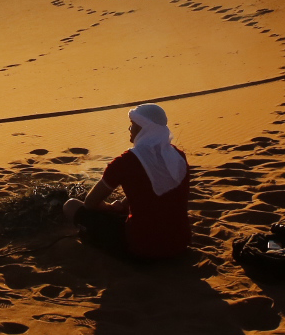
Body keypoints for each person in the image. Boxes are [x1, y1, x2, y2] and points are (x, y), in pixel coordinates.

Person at [63, 102, 192, 259]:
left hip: (141, 247)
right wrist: (123, 205)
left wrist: (109, 208)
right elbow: (154, 191)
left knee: (71, 205)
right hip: (180, 243)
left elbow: (90, 202)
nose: (130, 130)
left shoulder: (126, 161)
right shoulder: (177, 157)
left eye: (133, 125)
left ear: (144, 128)